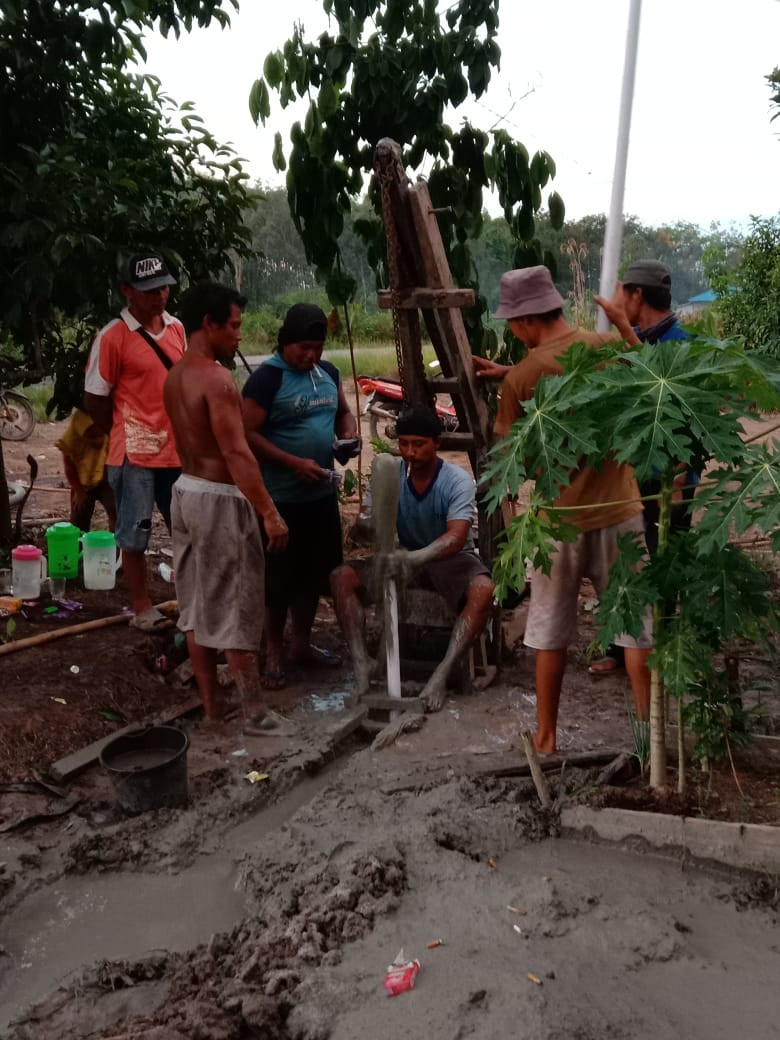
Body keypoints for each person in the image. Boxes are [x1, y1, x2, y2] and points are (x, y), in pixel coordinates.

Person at [475, 265, 652, 754]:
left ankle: (547, 737)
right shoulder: (603, 349)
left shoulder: (525, 377)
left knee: (549, 631)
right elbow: (653, 380)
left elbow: (512, 463)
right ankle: (646, 736)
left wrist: (511, 384)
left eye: (512, 323)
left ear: (526, 320)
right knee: (636, 629)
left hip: (558, 523)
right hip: (622, 509)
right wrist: (620, 323)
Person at [163, 282, 289, 731]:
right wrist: (269, 511)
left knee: (196, 604)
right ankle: (255, 711)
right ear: (208, 324)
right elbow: (236, 453)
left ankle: (213, 707)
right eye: (233, 326)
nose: (240, 334)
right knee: (238, 603)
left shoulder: (176, 375)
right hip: (217, 497)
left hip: (185, 491)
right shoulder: (216, 379)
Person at [330, 407, 495, 713]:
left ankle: (441, 674)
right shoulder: (388, 473)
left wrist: (413, 559)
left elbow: (455, 537)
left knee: (483, 589)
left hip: (449, 558)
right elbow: (366, 531)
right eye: (404, 443)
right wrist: (369, 520)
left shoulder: (456, 480)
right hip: (401, 554)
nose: (409, 452)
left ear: (437, 442)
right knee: (341, 578)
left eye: (418, 444)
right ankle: (362, 662)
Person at [241, 304, 359, 689]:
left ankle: (302, 643)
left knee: (314, 574)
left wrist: (346, 437)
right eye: (303, 348)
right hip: (280, 499)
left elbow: (343, 412)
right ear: (286, 343)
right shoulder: (267, 381)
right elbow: (247, 435)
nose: (311, 355)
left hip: (320, 495)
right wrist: (292, 462)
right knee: (279, 580)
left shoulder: (327, 374)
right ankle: (274, 649)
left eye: (318, 347)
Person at [591, 260, 694, 675]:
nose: (617, 303)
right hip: (630, 481)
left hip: (670, 481)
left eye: (623, 294)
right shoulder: (633, 340)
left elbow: (673, 401)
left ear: (637, 296)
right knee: (630, 567)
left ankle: (663, 653)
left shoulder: (681, 343)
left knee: (663, 564)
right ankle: (624, 651)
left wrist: (623, 328)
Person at [84, 252, 185, 629]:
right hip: (134, 454)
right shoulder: (113, 337)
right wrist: (120, 431)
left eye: (163, 288)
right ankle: (142, 607)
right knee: (135, 532)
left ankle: (189, 601)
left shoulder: (176, 330)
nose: (158, 296)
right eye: (148, 290)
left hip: (175, 450)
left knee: (184, 528)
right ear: (127, 291)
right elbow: (95, 397)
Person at [55, 408, 116, 532]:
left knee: (117, 513)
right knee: (78, 518)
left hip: (106, 480)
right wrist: (78, 490)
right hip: (81, 482)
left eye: (100, 436)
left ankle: (116, 547)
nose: (97, 441)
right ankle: (79, 548)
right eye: (92, 437)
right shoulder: (72, 439)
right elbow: (69, 467)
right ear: (81, 434)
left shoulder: (111, 434)